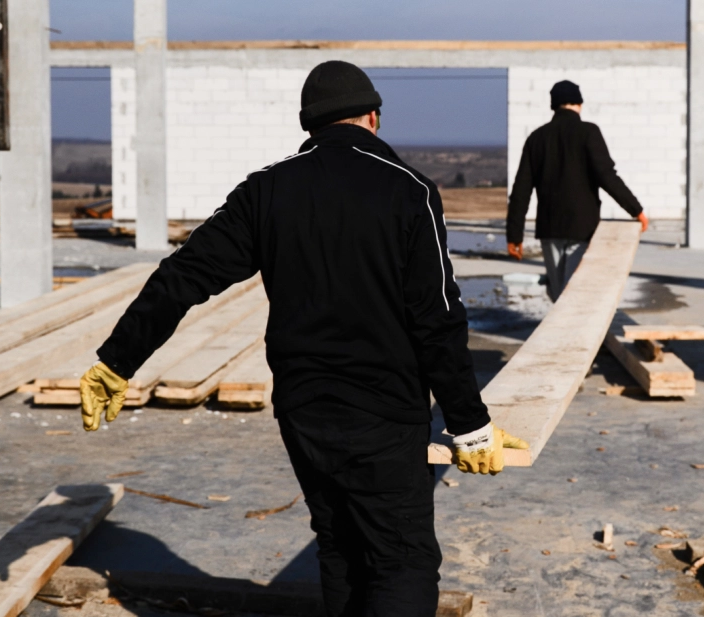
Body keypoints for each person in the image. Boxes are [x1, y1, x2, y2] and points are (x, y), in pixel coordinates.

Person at [79, 60, 527, 617]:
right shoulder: (408, 190)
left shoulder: (266, 191)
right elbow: (437, 318)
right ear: (374, 117)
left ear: (309, 126)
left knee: (339, 548)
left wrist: (117, 360)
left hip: (304, 411)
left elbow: (183, 275)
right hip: (384, 413)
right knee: (400, 560)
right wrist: (469, 423)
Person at [506, 80, 648, 301]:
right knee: (573, 292)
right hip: (582, 226)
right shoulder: (589, 132)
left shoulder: (537, 138)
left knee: (560, 290)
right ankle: (572, 336)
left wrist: (514, 235)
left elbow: (521, 191)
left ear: (553, 106)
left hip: (549, 228)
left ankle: (564, 333)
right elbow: (607, 176)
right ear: (579, 104)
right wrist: (635, 210)